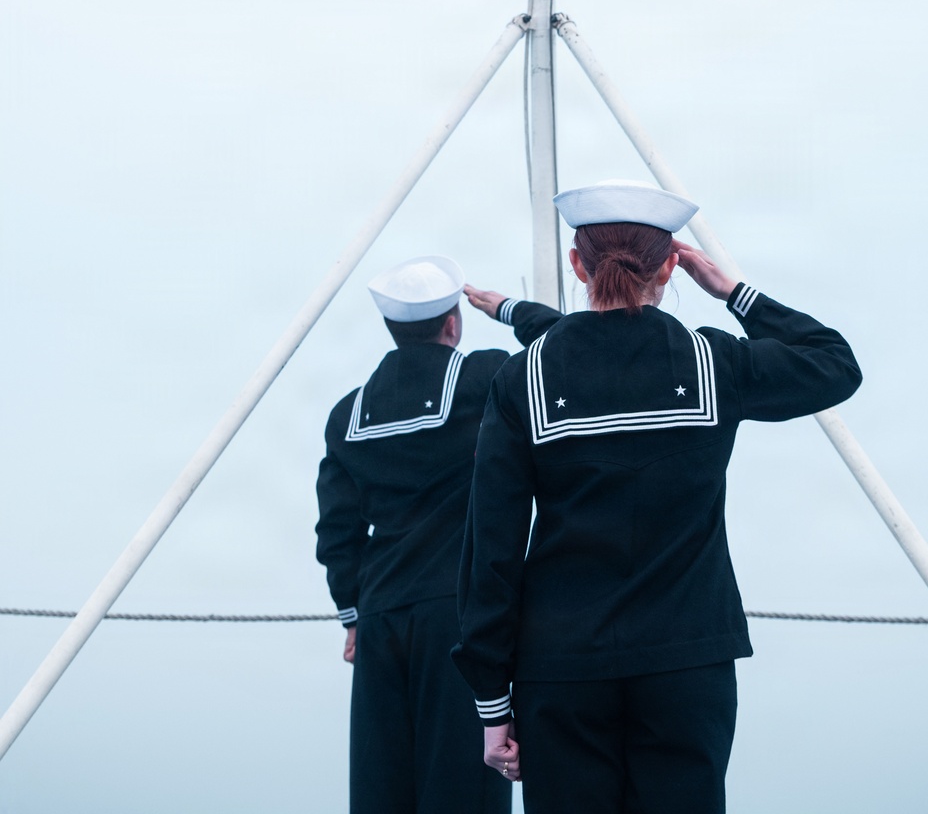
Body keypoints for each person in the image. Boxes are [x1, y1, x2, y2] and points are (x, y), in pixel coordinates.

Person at [452, 180, 863, 814]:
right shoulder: (713, 363)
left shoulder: (523, 377)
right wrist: (732, 292)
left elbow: (493, 549)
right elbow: (835, 363)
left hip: (561, 670)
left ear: (575, 263)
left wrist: (491, 703)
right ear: (672, 264)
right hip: (687, 664)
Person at [315, 254, 559, 814]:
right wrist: (508, 307)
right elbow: (565, 346)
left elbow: (337, 527)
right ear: (453, 322)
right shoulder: (486, 377)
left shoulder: (347, 413)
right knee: (462, 790)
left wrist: (352, 616)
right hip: (460, 616)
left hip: (381, 617)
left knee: (382, 789)